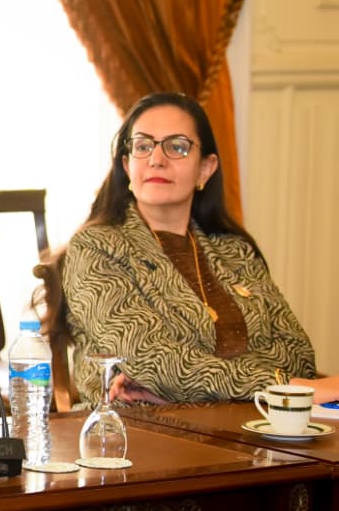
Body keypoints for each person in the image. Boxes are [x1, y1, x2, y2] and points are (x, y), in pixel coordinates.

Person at [57, 92, 334, 405]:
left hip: (255, 423)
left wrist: (184, 389)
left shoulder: (234, 250)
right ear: (127, 164)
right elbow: (156, 361)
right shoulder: (96, 249)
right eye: (143, 146)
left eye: (177, 146)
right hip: (136, 428)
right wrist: (282, 386)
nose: (156, 159)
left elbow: (298, 354)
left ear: (206, 168)